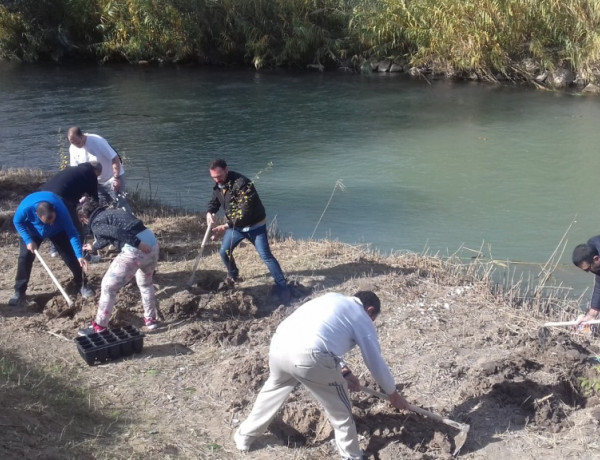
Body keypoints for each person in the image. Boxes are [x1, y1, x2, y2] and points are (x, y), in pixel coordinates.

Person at [234, 291, 409, 459]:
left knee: (274, 389)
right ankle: (352, 455)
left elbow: (321, 337)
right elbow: (374, 361)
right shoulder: (361, 316)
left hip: (279, 346)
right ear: (370, 311)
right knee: (341, 411)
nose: (371, 322)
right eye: (373, 319)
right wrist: (392, 393)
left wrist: (345, 373)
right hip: (308, 356)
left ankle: (244, 436)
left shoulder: (332, 300)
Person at [206, 158, 291, 305]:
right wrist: (210, 212)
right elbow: (215, 201)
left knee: (266, 256)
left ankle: (283, 287)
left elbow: (244, 214)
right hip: (236, 228)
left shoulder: (243, 184)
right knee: (224, 252)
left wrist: (224, 227)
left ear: (227, 169)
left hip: (255, 226)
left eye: (219, 176)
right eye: (213, 177)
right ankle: (233, 274)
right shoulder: (219, 185)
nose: (217, 179)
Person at [76, 199, 159, 333]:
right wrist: (94, 246)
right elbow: (109, 235)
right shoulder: (111, 213)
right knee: (146, 284)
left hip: (136, 249)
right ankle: (151, 320)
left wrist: (137, 244)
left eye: (83, 221)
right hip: (153, 245)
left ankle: (99, 326)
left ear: (85, 217)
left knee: (108, 286)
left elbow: (117, 233)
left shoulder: (96, 223)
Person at [9, 191, 93, 306]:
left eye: (53, 219)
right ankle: (19, 291)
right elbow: (17, 222)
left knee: (70, 256)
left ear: (54, 211)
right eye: (48, 221)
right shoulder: (25, 209)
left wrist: (79, 255)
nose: (51, 223)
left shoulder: (61, 210)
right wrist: (28, 240)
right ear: (36, 215)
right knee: (25, 257)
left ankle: (81, 283)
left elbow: (72, 233)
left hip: (58, 231)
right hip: (32, 231)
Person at [41, 161, 103, 261]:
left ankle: (55, 250)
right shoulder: (90, 173)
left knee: (55, 223)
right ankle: (84, 256)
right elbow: (94, 199)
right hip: (60, 198)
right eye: (98, 176)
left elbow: (70, 188)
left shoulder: (73, 169)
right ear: (96, 171)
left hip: (43, 196)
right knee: (76, 227)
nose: (96, 178)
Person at [67, 126, 131, 213]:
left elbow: (115, 158)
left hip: (112, 177)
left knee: (120, 204)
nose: (76, 145)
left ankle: (131, 222)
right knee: (103, 207)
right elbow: (75, 169)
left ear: (82, 136)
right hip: (96, 183)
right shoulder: (72, 148)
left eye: (77, 143)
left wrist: (116, 178)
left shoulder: (97, 141)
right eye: (72, 143)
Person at [572, 236, 600, 327]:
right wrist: (591, 315)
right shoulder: (591, 247)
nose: (588, 272)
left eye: (588, 269)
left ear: (596, 259)